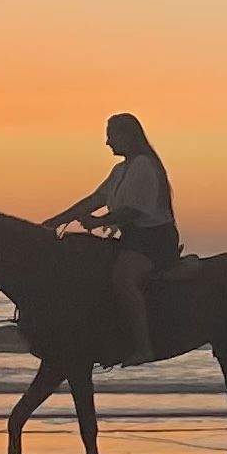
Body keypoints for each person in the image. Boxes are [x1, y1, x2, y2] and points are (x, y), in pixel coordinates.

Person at [44, 111, 178, 364]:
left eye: (110, 136)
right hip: (133, 239)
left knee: (124, 279)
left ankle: (143, 346)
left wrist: (99, 221)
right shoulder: (120, 170)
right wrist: (54, 223)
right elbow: (94, 200)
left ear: (127, 136)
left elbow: (132, 211)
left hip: (153, 240)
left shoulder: (144, 166)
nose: (107, 142)